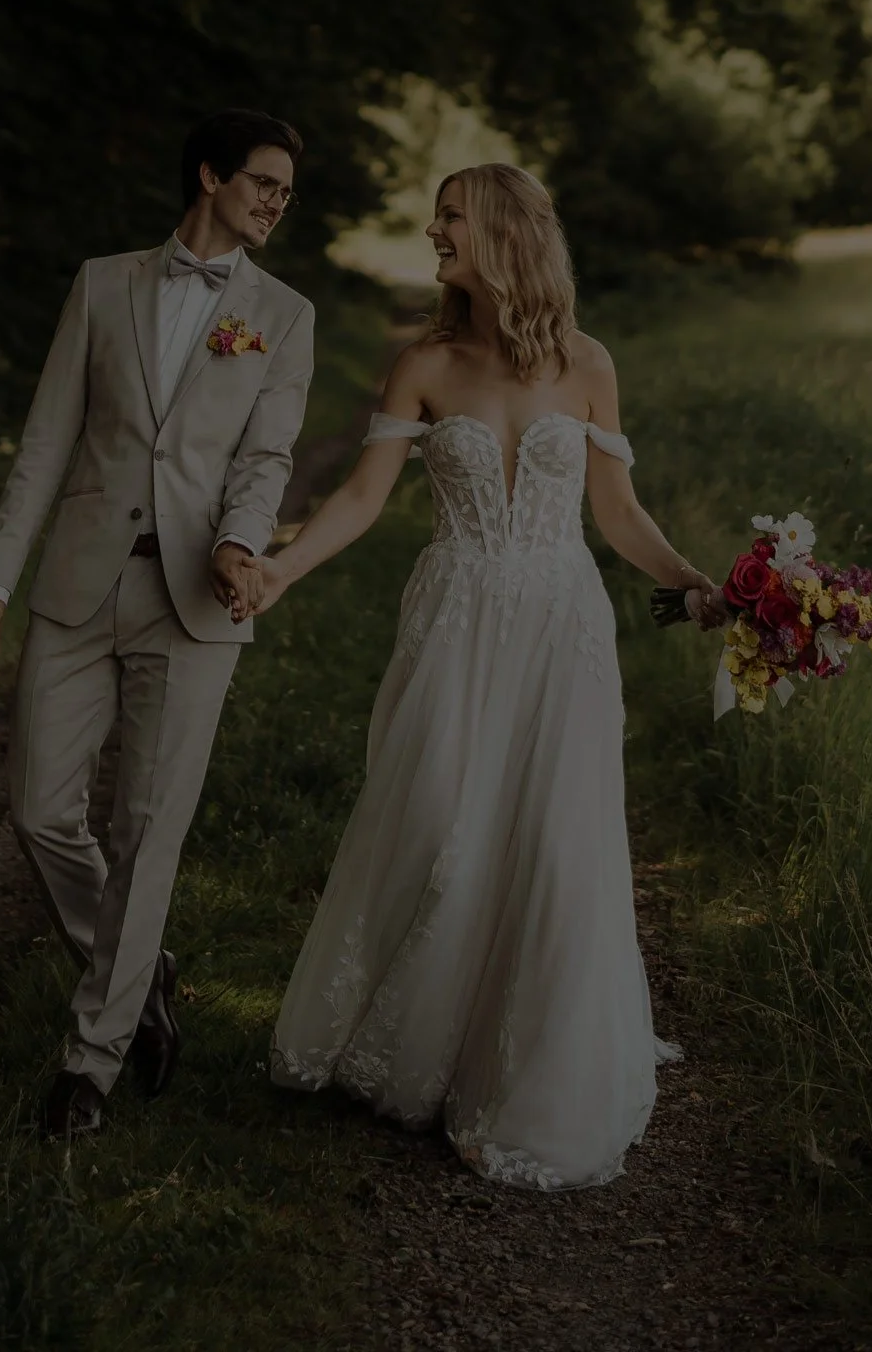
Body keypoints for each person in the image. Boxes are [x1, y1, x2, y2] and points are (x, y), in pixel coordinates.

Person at [245, 162, 725, 1190]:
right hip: (456, 620)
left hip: (559, 623)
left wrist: (693, 582)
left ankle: (527, 1072)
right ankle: (429, 1045)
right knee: (438, 821)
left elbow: (617, 512)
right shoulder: (424, 362)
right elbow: (363, 497)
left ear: (506, 231)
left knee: (554, 837)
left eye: (451, 217)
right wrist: (281, 567)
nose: (434, 232)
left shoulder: (587, 362)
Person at [0, 109, 314, 1138]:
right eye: (262, 181)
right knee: (39, 809)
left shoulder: (283, 315)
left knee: (146, 830)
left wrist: (240, 543)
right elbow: (45, 442)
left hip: (194, 599)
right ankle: (137, 963)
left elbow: (266, 457)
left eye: (286, 192)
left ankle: (94, 1059)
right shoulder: (102, 283)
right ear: (209, 175)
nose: (276, 202)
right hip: (78, 583)